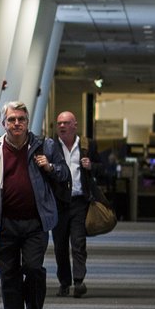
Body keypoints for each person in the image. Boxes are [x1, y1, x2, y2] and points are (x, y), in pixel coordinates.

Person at [0, 101, 69, 309]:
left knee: (33, 269)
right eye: (12, 120)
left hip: (36, 222)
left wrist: (49, 167)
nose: (17, 123)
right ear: (4, 124)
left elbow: (65, 174)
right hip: (4, 223)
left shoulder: (44, 146)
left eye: (21, 119)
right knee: (9, 276)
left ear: (28, 122)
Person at [52, 110, 97, 297]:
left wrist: (91, 166)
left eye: (66, 123)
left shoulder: (87, 146)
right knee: (60, 245)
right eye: (59, 123)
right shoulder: (50, 146)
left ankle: (79, 281)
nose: (62, 126)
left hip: (79, 202)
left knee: (78, 243)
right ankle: (64, 282)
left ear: (74, 125)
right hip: (59, 203)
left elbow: (105, 169)